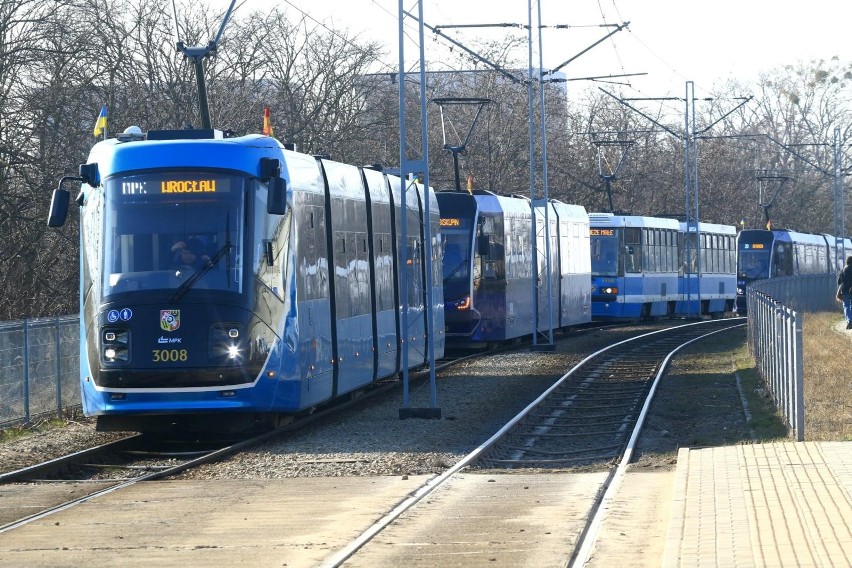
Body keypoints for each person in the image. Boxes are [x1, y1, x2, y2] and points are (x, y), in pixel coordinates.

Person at [838, 256, 852, 329]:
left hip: (845, 291)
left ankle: (849, 321)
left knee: (846, 306)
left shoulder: (844, 269)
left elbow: (839, 281)